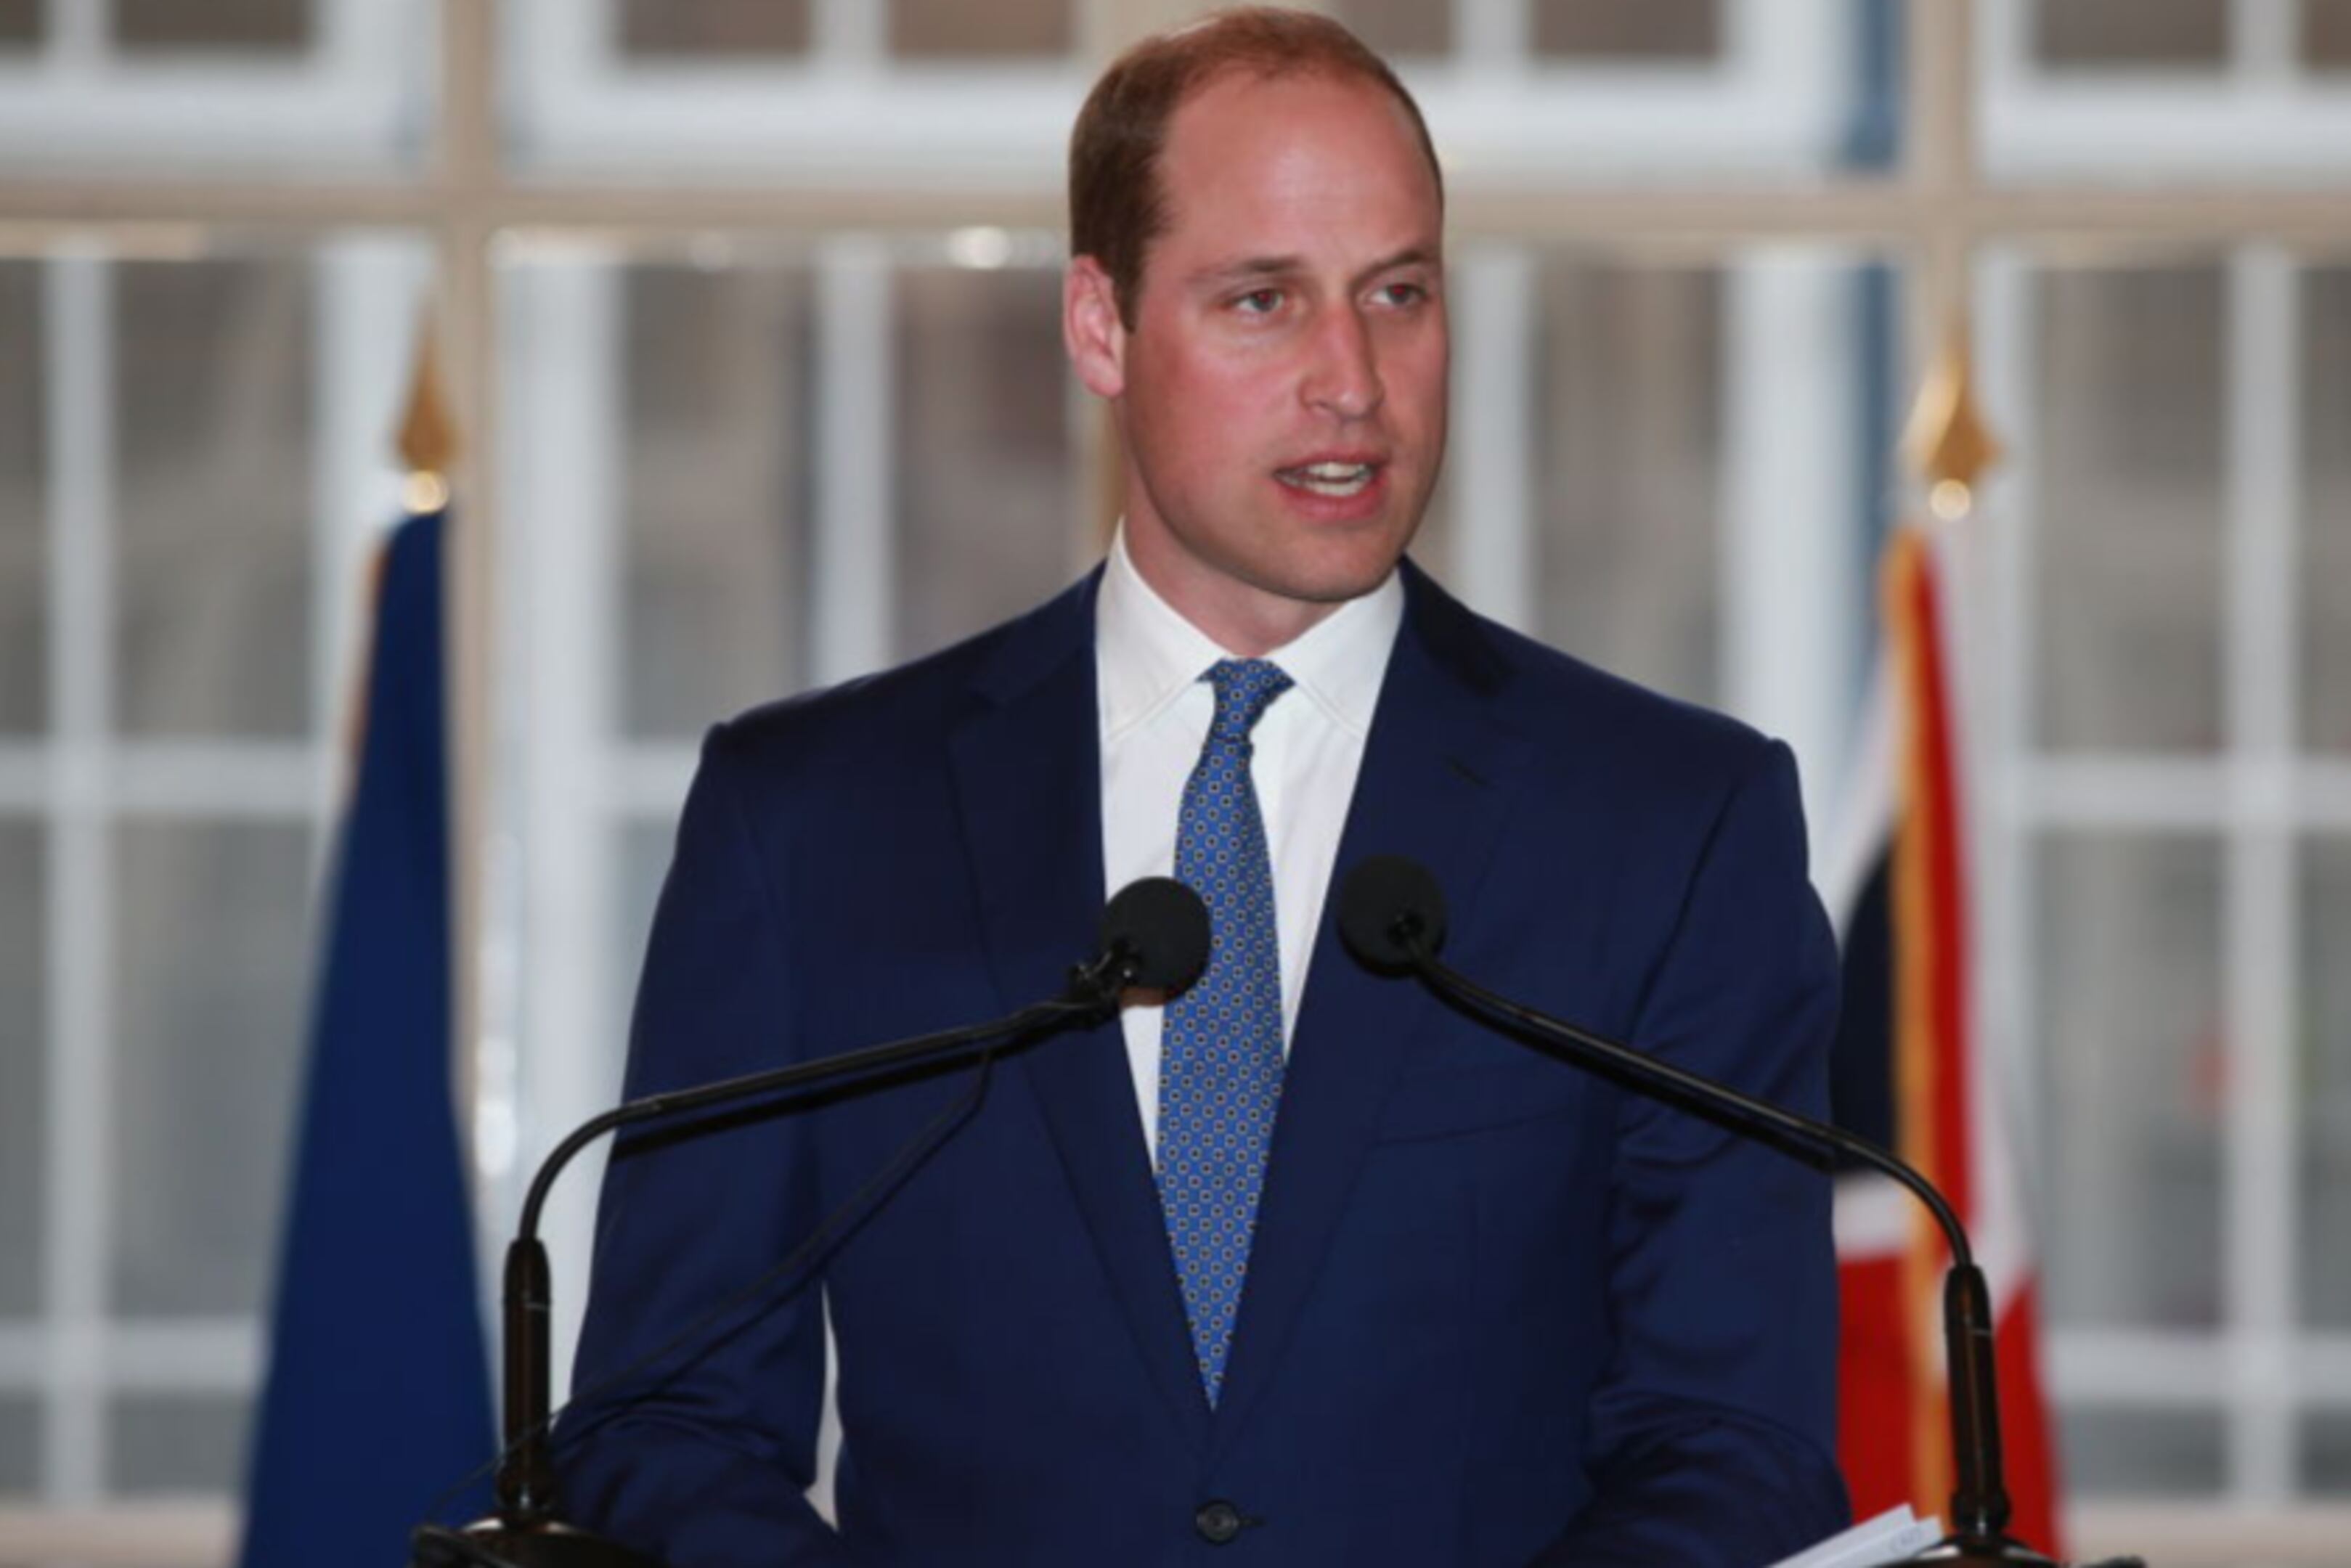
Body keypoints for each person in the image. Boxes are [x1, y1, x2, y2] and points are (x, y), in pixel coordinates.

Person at [561, 10, 1847, 1564]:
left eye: (1400, 294)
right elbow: (667, 1418)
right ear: (1099, 326)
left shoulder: (1671, 826)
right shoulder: (815, 821)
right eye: (1263, 301)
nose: (1352, 381)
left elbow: (1733, 1442)